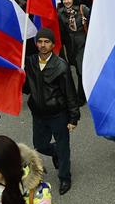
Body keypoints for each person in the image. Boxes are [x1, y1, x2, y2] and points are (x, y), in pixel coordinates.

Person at [23, 28, 80, 194]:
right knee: (40, 145)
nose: (43, 45)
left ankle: (64, 177)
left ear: (53, 45)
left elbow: (70, 93)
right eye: (40, 41)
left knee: (63, 148)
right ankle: (56, 152)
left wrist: (73, 118)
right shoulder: (30, 62)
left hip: (58, 115)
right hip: (38, 114)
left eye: (46, 42)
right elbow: (25, 85)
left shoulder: (61, 66)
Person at [57, 0, 90, 100]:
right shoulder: (60, 13)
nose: (66, 1)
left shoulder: (83, 9)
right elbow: (61, 31)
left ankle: (81, 96)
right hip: (70, 46)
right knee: (77, 69)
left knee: (81, 70)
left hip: (83, 44)